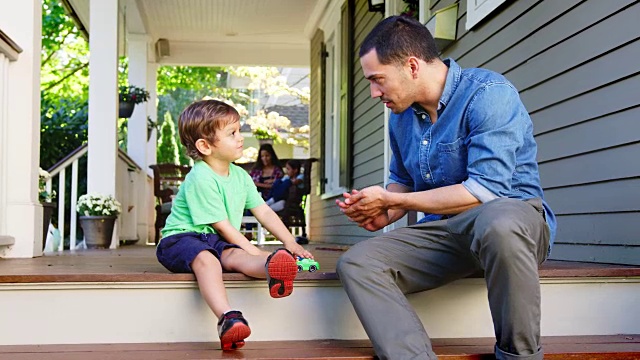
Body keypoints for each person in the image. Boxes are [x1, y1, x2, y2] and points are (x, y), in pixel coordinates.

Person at [335, 16, 556, 360]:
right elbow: (403, 182)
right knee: (358, 262)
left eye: (377, 80)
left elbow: (485, 190)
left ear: (411, 66)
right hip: (445, 231)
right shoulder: (400, 116)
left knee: (497, 222)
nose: (374, 92)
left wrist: (396, 200)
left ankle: (519, 356)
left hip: (512, 227)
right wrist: (384, 210)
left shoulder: (488, 94)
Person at [156, 99, 314, 351]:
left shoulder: (240, 176)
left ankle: (275, 267)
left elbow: (264, 212)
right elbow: (223, 227)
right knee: (207, 258)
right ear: (205, 146)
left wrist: (290, 242)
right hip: (181, 238)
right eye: (232, 133)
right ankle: (228, 317)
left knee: (235, 257)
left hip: (215, 240)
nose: (241, 138)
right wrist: (254, 249)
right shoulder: (200, 176)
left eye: (239, 130)